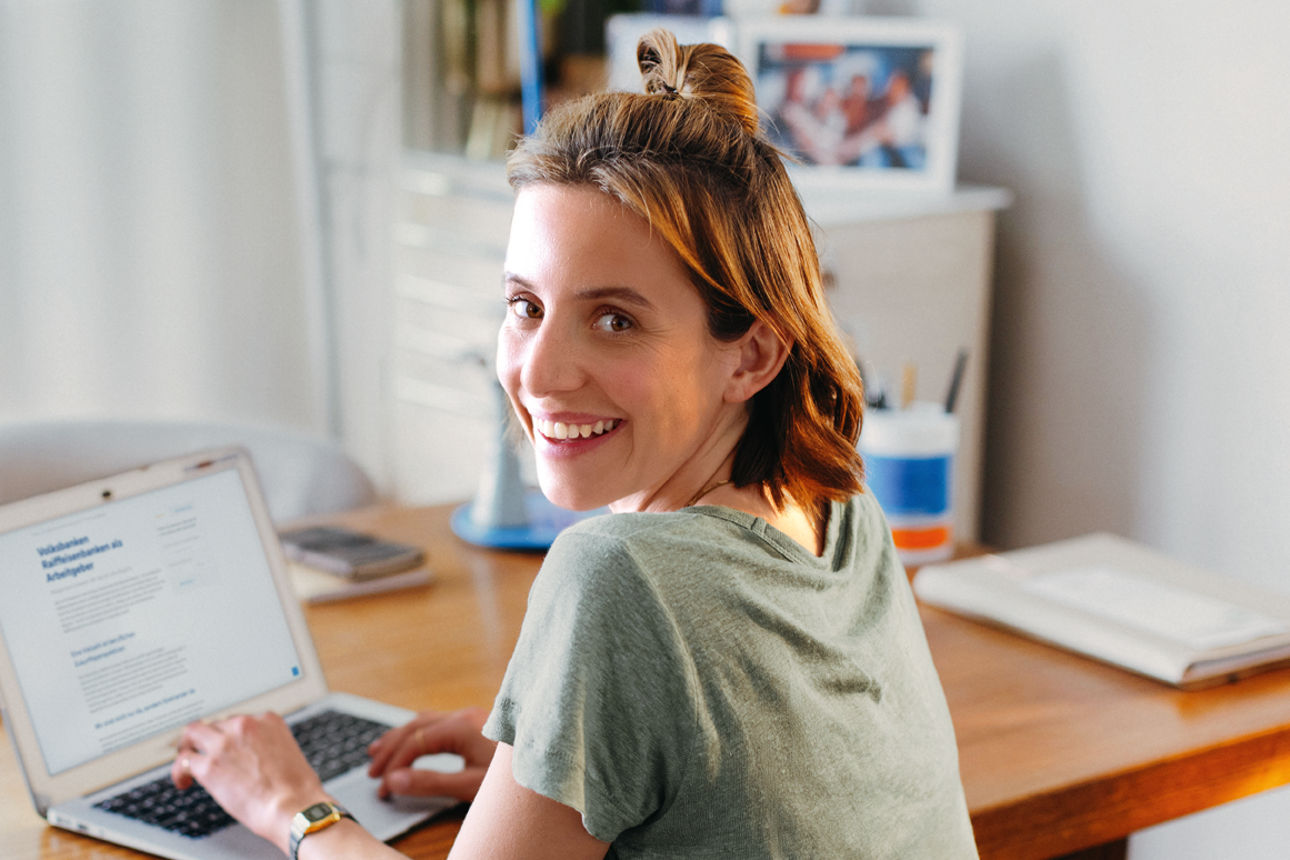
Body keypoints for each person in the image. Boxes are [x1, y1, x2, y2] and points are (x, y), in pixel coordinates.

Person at [169, 29, 977, 859]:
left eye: (615, 319)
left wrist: (293, 808)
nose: (540, 372)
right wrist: (556, 765)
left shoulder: (618, 576)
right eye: (525, 305)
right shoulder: (844, 505)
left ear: (753, 355)